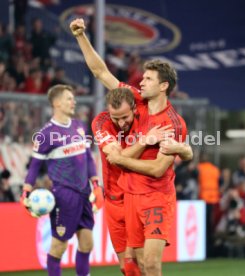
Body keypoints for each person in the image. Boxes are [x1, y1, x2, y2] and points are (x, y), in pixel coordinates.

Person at [70, 18, 193, 275]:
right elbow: (101, 73)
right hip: (126, 198)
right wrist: (81, 36)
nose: (141, 82)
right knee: (131, 268)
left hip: (155, 196)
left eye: (148, 78)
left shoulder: (172, 123)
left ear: (163, 86)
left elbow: (159, 168)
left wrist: (184, 149)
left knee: (150, 264)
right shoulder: (135, 100)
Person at [21, 84, 103, 276]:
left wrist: (96, 186)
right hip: (64, 195)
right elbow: (34, 166)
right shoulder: (45, 134)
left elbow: (89, 158)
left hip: (84, 193)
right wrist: (26, 191)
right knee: (59, 246)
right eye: (69, 98)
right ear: (57, 103)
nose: (73, 101)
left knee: (87, 243)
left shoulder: (79, 126)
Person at [92, 87, 176, 275]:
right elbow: (116, 157)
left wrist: (186, 151)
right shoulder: (101, 122)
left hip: (137, 195)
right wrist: (145, 140)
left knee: (145, 263)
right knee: (127, 267)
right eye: (116, 118)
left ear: (133, 109)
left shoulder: (147, 120)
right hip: (113, 200)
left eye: (125, 117)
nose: (121, 123)